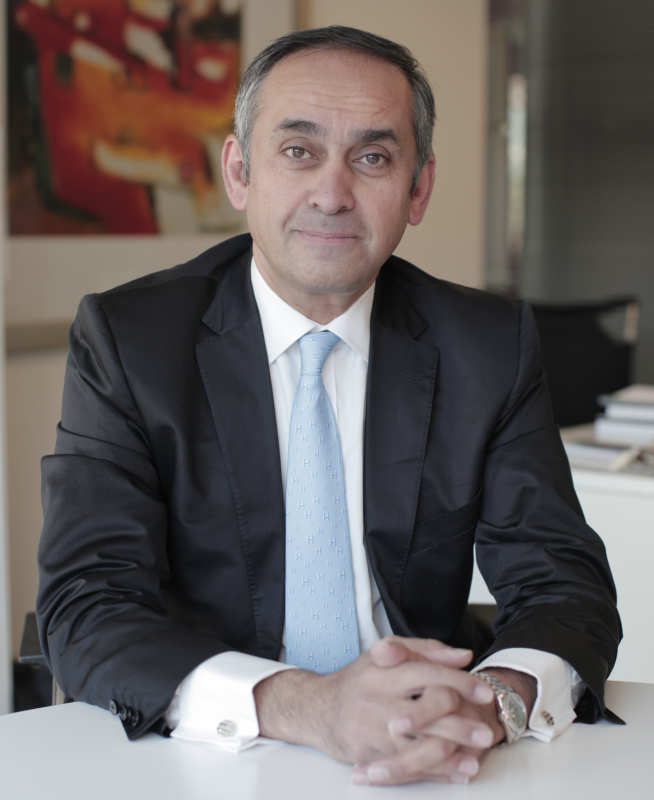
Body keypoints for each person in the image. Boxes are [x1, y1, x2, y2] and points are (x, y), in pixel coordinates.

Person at [37, 26, 621, 787]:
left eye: (373, 158)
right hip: (203, 754)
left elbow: (562, 580)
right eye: (298, 151)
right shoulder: (130, 341)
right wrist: (309, 707)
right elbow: (88, 600)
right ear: (239, 172)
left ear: (418, 189)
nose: (332, 194)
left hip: (424, 751)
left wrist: (492, 703)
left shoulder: (486, 345)